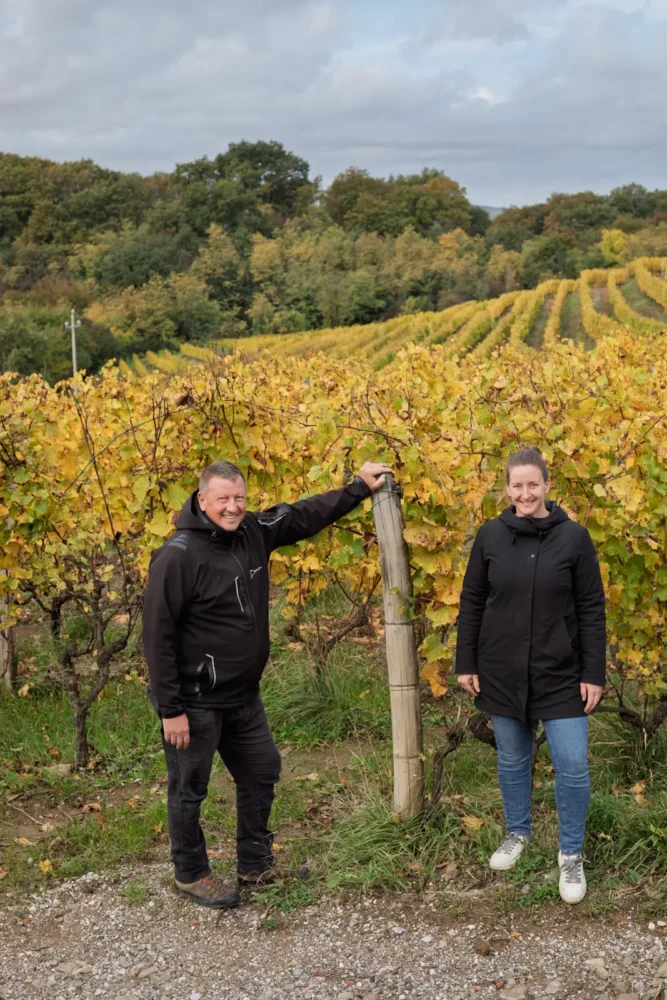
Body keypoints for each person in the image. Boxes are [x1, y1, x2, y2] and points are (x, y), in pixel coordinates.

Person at [143, 458, 391, 908]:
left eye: (239, 497)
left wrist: (357, 488)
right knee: (189, 788)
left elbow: (302, 515)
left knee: (261, 772)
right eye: (223, 499)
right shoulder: (179, 556)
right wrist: (170, 709)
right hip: (195, 700)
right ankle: (191, 873)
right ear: (202, 500)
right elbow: (156, 636)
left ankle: (255, 865)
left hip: (242, 696)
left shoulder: (254, 531)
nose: (233, 507)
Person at [455, 447, 606, 905]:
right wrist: (466, 661)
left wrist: (593, 672)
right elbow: (472, 600)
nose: (525, 493)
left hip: (560, 673)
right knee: (513, 759)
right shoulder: (490, 536)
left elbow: (591, 609)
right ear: (507, 489)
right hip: (501, 669)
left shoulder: (574, 538)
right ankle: (517, 833)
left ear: (546, 485)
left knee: (573, 766)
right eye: (516, 486)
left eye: (532, 484)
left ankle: (571, 855)